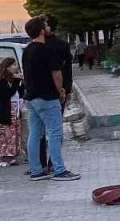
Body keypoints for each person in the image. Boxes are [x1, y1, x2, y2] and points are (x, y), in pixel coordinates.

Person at [21, 17, 79, 181]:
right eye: (45, 26)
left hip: (31, 97)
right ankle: (59, 170)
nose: (48, 28)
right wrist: (61, 91)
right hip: (47, 97)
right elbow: (57, 74)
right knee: (54, 133)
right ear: (41, 31)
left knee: (35, 133)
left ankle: (36, 170)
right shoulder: (46, 50)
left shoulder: (27, 50)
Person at [0, 57, 23, 167]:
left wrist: (20, 82)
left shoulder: (12, 79)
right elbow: (8, 93)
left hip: (16, 109)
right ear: (7, 67)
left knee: (14, 132)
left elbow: (20, 92)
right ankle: (6, 156)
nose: (16, 67)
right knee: (7, 133)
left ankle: (13, 154)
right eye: (13, 65)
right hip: (6, 110)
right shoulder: (2, 80)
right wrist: (16, 81)